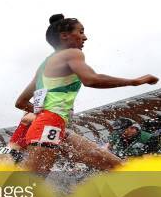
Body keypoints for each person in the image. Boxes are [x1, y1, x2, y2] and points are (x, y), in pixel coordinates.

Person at [15, 14, 158, 175]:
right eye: (81, 32)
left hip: (55, 125)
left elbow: (21, 102)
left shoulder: (43, 67)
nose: (85, 37)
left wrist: (42, 113)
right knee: (30, 186)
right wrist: (135, 81)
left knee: (118, 167)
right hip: (49, 125)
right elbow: (91, 80)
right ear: (64, 36)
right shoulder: (72, 53)